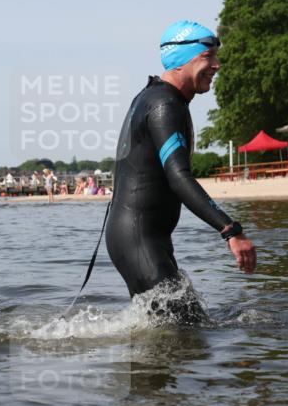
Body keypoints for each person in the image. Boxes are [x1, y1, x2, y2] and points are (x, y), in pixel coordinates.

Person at [105, 20, 256, 321]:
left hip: (141, 236)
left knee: (182, 330)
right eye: (208, 57)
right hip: (138, 237)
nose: (217, 65)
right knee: (183, 330)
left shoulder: (155, 97)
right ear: (181, 59)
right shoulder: (164, 105)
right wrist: (230, 230)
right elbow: (178, 177)